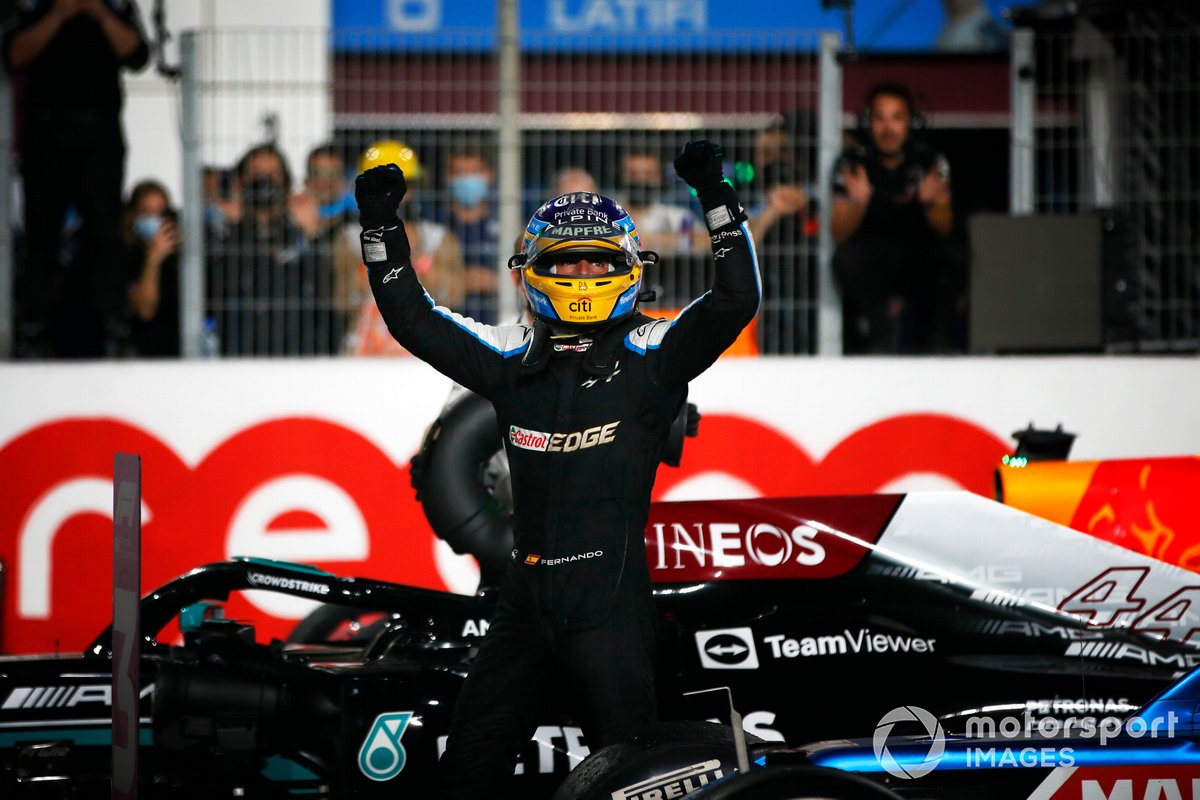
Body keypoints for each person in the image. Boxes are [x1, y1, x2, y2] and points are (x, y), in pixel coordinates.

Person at [355, 140, 759, 799]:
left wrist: (715, 195)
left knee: (635, 784)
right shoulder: (509, 356)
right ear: (531, 270)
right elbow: (411, 317)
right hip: (524, 605)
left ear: (629, 267)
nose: (579, 274)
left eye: (595, 260)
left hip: (611, 611)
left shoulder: (653, 352)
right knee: (467, 776)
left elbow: (734, 299)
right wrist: (381, 228)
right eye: (563, 261)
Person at [3, 0, 149, 358]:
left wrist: (98, 11)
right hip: (46, 132)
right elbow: (13, 54)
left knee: (105, 234)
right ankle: (35, 330)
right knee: (42, 234)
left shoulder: (115, 3)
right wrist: (58, 13)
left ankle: (112, 327)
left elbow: (137, 56)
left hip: (99, 131)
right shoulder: (32, 4)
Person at [831, 82, 958, 354]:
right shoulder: (852, 164)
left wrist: (930, 202)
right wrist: (858, 203)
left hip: (917, 260)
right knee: (844, 259)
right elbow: (838, 234)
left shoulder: (929, 161)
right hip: (873, 264)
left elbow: (946, 229)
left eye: (896, 118)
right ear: (868, 122)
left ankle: (940, 344)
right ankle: (880, 338)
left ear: (910, 122)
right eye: (880, 118)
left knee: (954, 256)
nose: (888, 128)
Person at [206, 142, 341, 356]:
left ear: (286, 183)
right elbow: (214, 291)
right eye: (257, 173)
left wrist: (313, 235)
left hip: (298, 359)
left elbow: (328, 291)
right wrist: (233, 230)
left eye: (273, 174)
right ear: (241, 182)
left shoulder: (302, 231)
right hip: (239, 359)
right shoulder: (224, 233)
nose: (265, 181)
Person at [347, 139, 466, 355]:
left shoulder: (439, 238)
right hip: (364, 355)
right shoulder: (348, 239)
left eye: (400, 186)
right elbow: (342, 299)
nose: (392, 195)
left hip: (425, 351)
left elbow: (455, 294)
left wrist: (413, 252)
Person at [747, 121, 814, 354]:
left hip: (809, 283)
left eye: (780, 152)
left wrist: (801, 199)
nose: (773, 161)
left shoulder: (814, 193)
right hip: (767, 283)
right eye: (766, 154)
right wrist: (773, 209)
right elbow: (745, 243)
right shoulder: (747, 198)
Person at [437, 147, 501, 323]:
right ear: (448, 178)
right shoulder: (433, 224)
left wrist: (494, 281)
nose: (467, 179)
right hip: (443, 326)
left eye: (474, 171)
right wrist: (458, 281)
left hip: (500, 325)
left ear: (489, 175)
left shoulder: (508, 224)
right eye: (460, 172)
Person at [122, 179, 180, 357]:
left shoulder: (183, 255)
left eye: (160, 212)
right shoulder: (125, 255)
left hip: (180, 351)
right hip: (146, 353)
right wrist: (153, 259)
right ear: (133, 216)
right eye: (147, 212)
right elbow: (145, 310)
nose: (155, 219)